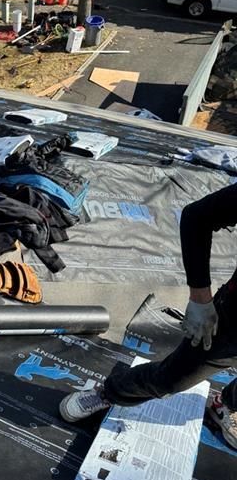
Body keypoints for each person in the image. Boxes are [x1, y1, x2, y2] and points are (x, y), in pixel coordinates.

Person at [60, 184, 237, 450]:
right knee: (172, 379)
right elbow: (197, 216)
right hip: (233, 324)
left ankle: (227, 405)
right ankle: (109, 392)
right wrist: (200, 299)